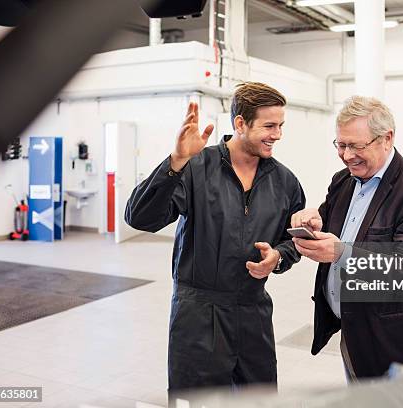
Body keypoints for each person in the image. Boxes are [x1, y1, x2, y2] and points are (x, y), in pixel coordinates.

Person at [125, 82, 305, 393]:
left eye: (281, 125)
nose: (278, 134)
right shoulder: (197, 167)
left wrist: (278, 257)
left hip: (253, 312)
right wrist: (176, 162)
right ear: (240, 124)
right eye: (269, 126)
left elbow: (294, 240)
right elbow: (140, 217)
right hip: (198, 316)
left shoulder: (284, 181)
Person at [290, 95, 403, 380]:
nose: (348, 155)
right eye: (341, 145)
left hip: (394, 345)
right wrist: (313, 218)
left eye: (356, 146)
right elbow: (330, 219)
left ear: (387, 138)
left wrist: (342, 253)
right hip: (352, 334)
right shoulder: (343, 180)